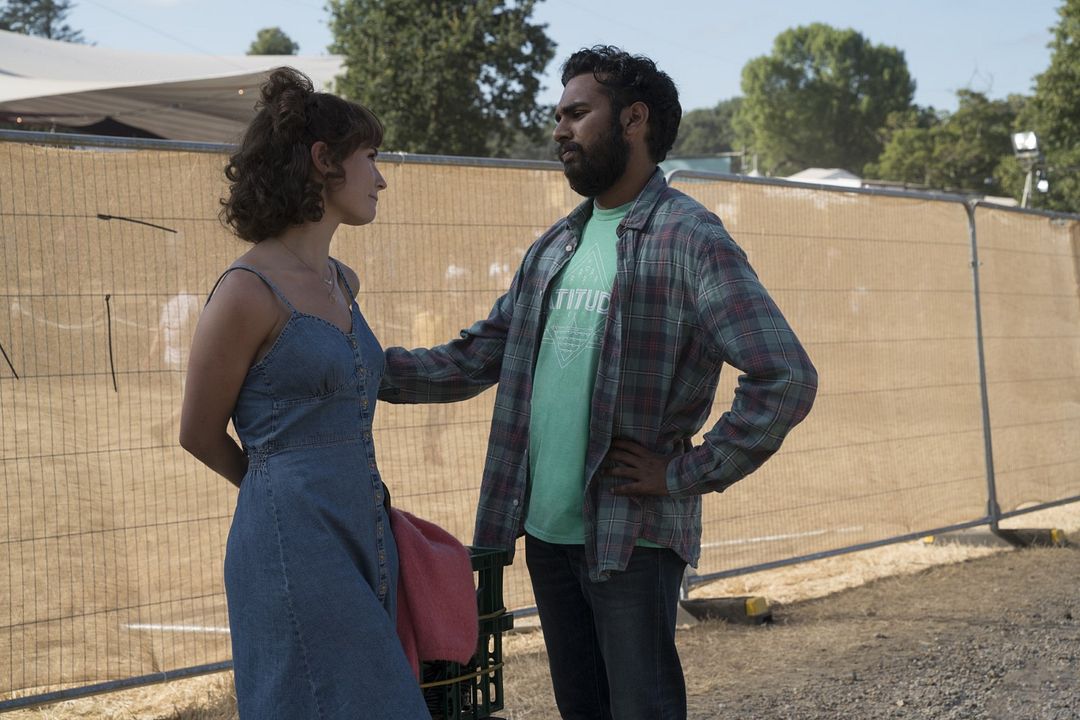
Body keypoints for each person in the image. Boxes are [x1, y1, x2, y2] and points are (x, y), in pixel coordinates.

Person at [380, 46, 818, 719]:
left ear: (633, 119)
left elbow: (784, 374)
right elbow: (473, 358)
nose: (559, 130)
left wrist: (687, 472)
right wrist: (358, 366)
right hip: (547, 536)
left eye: (577, 113)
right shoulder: (556, 246)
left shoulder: (690, 239)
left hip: (631, 536)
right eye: (558, 115)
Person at [179, 67, 429, 719]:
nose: (380, 177)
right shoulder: (246, 291)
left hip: (364, 527)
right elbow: (198, 434)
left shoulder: (343, 280)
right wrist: (282, 495)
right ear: (324, 162)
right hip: (293, 541)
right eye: (370, 157)